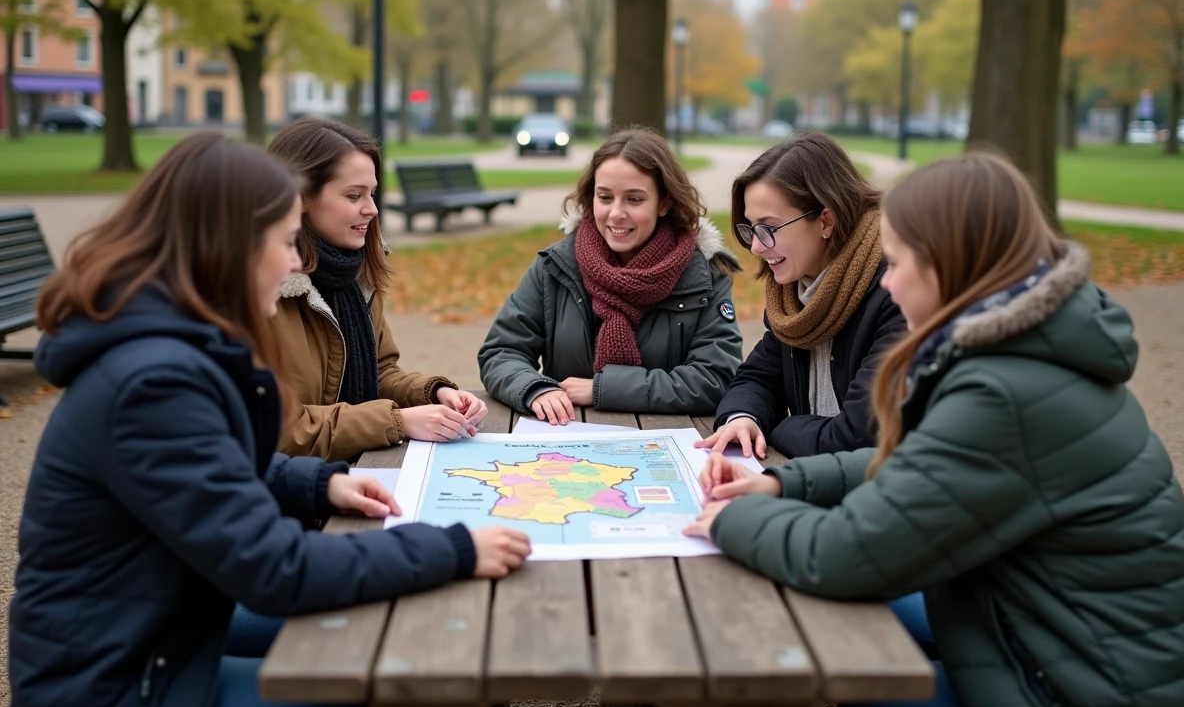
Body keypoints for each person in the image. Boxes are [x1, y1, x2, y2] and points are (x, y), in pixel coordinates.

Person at [8, 134, 531, 707]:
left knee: (415, 629)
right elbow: (275, 567)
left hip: (167, 631)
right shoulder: (152, 383)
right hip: (122, 681)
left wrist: (315, 483)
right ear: (225, 247)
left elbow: (217, 466)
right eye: (284, 241)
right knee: (418, 662)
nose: (292, 263)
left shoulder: (173, 344)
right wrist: (452, 548)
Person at [685, 153, 1184, 707]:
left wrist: (739, 518)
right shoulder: (1020, 352)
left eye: (900, 261)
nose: (891, 281)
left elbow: (848, 553)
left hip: (1081, 682)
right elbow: (923, 463)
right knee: (854, 637)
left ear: (951, 266)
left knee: (862, 673)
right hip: (1043, 632)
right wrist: (786, 486)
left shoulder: (1003, 391)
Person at [478, 128, 743, 420]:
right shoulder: (554, 266)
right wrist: (535, 388)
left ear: (664, 203)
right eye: (605, 197)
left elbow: (715, 379)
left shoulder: (704, 277)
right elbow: (502, 352)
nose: (616, 213)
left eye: (634, 199)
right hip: (566, 437)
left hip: (666, 442)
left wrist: (602, 389)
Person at [267, 117, 486, 461]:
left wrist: (433, 394)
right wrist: (396, 420)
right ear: (301, 198)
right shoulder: (262, 290)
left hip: (346, 472)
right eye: (354, 195)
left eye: (372, 193)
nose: (371, 209)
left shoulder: (356, 272)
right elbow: (280, 429)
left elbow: (378, 371)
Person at [698, 132, 905, 459]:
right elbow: (756, 378)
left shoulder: (896, 296)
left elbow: (855, 438)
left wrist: (778, 426)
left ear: (825, 220)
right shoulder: (794, 298)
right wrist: (743, 418)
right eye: (750, 229)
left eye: (768, 228)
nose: (755, 246)